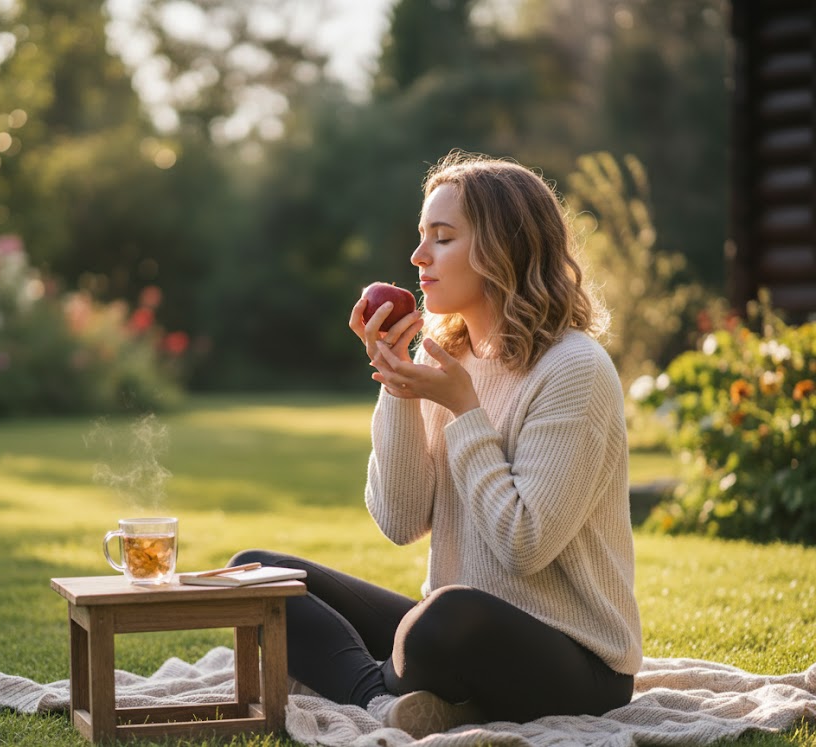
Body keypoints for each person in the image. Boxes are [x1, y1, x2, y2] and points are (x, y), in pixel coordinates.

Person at [230, 151, 642, 738]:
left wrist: (464, 408)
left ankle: (373, 685)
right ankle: (388, 696)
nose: (418, 257)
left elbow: (524, 545)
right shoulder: (444, 354)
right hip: (458, 631)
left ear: (504, 250)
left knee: (439, 620)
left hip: (576, 662)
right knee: (254, 577)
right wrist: (397, 381)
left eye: (442, 238)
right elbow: (399, 520)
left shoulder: (574, 368)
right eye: (422, 236)